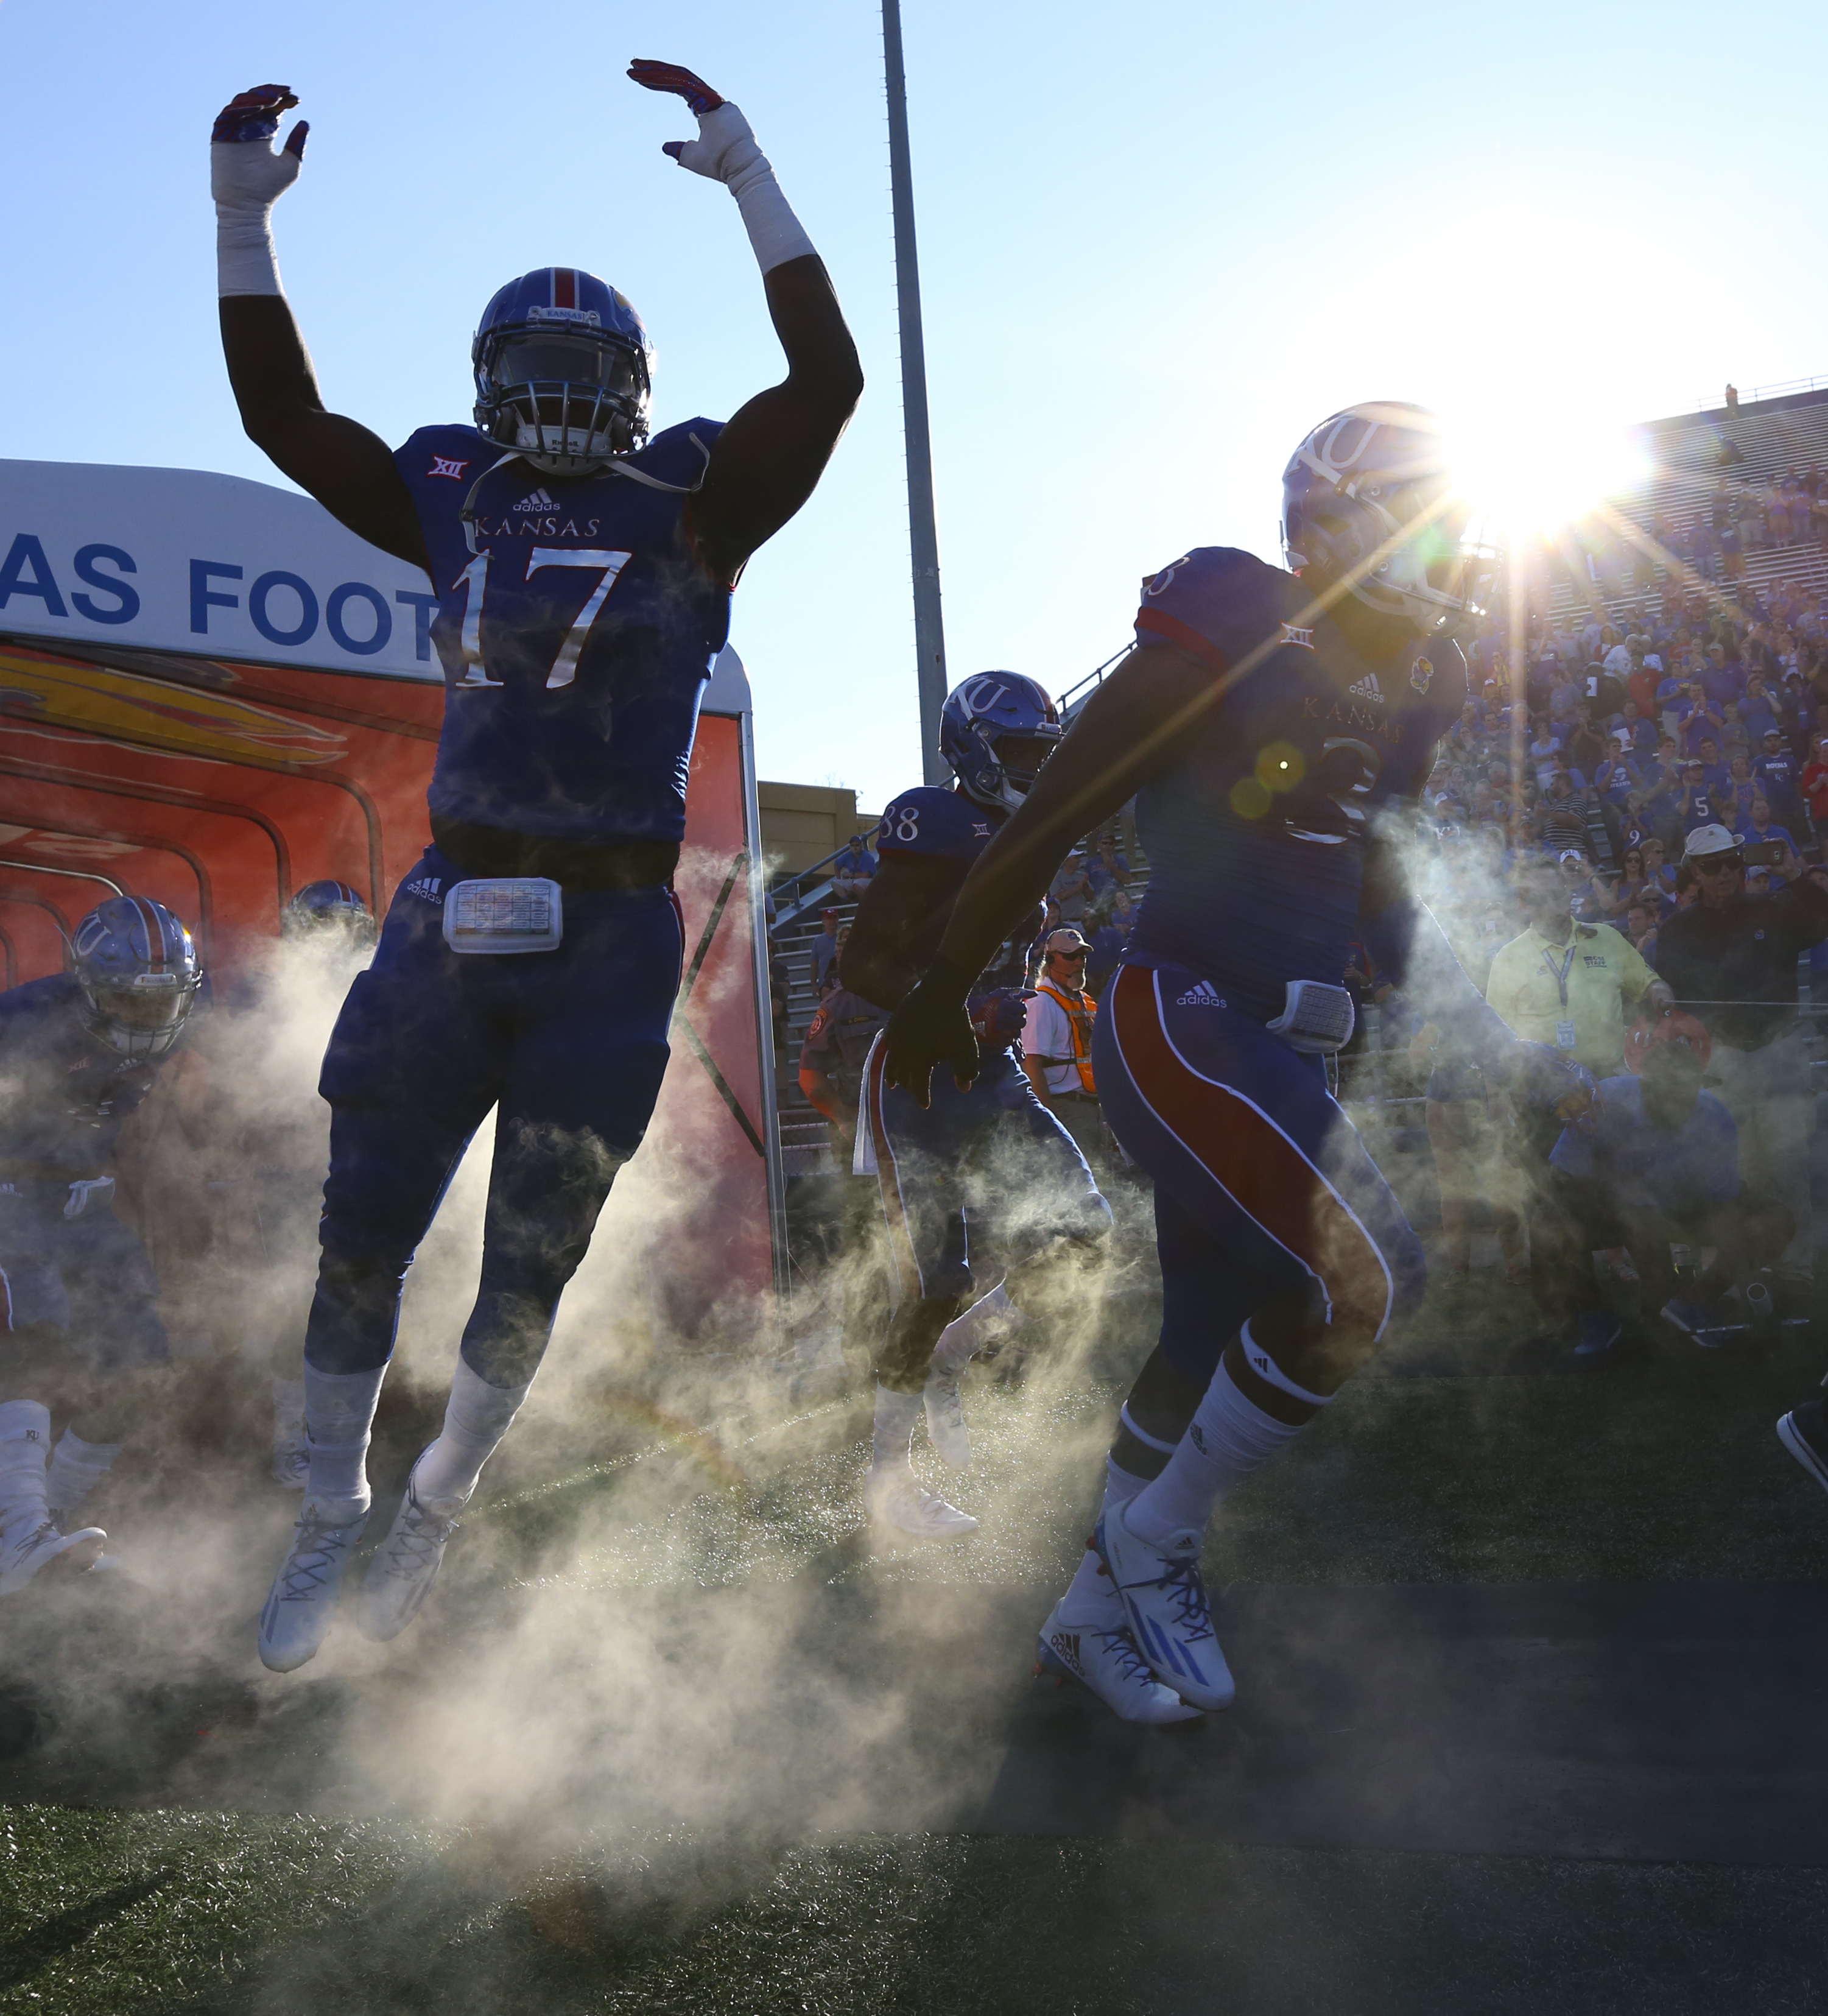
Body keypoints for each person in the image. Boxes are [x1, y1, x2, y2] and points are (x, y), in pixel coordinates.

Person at [211, 64, 863, 1671]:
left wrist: (751, 177)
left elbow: (828, 380)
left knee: (531, 1259)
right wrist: (240, 222)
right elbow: (286, 420)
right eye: (535, 369)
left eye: (587, 371)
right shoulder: (456, 487)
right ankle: (326, 1504)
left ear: (635, 391)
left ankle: (434, 1502)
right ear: (489, 383)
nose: (560, 396)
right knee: (360, 1230)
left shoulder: (695, 498)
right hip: (451, 907)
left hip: (611, 924)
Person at [880, 403, 1586, 1721]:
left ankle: (1085, 1623)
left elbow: (1377, 872)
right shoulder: (1238, 609)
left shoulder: (1425, 670)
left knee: (1198, 1338)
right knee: (1370, 1281)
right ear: (1338, 523)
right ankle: (1159, 1540)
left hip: (1287, 1037)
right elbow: (1056, 809)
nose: (1449, 550)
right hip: (1182, 1009)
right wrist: (940, 984)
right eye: (1423, 520)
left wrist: (1476, 1023)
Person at [843, 675, 1110, 1542]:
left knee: (1081, 1233)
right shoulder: (936, 819)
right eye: (1019, 748)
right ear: (974, 747)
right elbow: (860, 962)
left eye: (1042, 749)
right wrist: (947, 1012)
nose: (1034, 764)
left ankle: (951, 1358)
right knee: (932, 1282)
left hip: (993, 1074)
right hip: (918, 1072)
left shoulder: (1030, 830)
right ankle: (888, 1483)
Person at [0, 900, 203, 1595]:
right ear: (86, 986)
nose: (147, 1017)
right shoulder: (21, 1025)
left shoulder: (192, 1012)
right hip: (8, 1188)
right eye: (128, 999)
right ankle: (17, 1533)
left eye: (162, 1001)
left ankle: (45, 1526)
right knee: (37, 1330)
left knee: (140, 1366)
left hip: (77, 1197)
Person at [1538, 1016, 1788, 1356]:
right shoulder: (1602, 1103)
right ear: (1645, 1085)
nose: (1679, 1106)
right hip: (1610, 1205)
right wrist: (1630, 1222)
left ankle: (1693, 1303)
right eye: (1668, 1095)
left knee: (1774, 1223)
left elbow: (1723, 1205)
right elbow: (1564, 1180)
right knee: (1550, 1221)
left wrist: (1739, 1262)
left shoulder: (1714, 1118)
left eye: (1686, 1095)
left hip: (1684, 1205)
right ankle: (1595, 1316)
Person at [1652, 824, 1828, 1303]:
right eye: (1712, 866)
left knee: (1788, 1163)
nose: (1725, 873)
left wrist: (1793, 872)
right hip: (1721, 1055)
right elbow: (1667, 995)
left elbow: (1822, 918)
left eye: (1732, 861)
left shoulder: (1773, 906)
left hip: (1780, 1048)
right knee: (1732, 1170)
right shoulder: (1677, 930)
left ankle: (1795, 1272)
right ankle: (1732, 1275)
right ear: (1695, 872)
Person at [1021, 928, 1106, 1168]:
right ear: (1050, 959)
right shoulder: (1041, 1002)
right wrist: (1049, 1123)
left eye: (1082, 956)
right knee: (1072, 1181)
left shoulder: (1084, 1001)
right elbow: (1031, 1064)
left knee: (1100, 1179)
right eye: (1070, 956)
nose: (1079, 962)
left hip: (1093, 1110)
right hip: (1065, 1109)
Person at [829, 833, 877, 905]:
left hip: (869, 881)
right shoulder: (848, 856)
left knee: (857, 883)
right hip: (854, 880)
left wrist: (851, 875)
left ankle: (865, 903)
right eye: (852, 845)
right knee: (835, 883)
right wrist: (839, 878)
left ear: (861, 846)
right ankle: (847, 900)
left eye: (857, 845)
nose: (855, 847)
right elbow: (837, 865)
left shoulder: (867, 857)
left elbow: (866, 875)